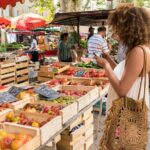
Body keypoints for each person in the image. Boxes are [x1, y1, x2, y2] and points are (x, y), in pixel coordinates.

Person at [95, 5, 150, 148]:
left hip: (126, 111)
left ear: (129, 28)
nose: (116, 32)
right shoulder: (143, 49)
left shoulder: (138, 51)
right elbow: (126, 74)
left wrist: (106, 67)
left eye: (119, 27)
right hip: (131, 108)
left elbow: (122, 89)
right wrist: (108, 59)